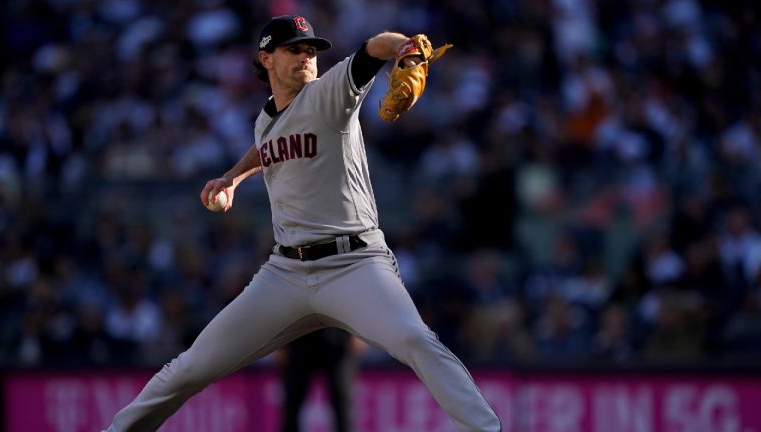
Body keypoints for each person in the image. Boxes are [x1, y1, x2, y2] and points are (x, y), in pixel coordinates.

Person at [103, 14, 501, 432]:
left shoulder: (329, 93)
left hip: (354, 265)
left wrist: (405, 48)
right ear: (266, 59)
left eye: (311, 49)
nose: (307, 56)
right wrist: (232, 177)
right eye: (294, 49)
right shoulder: (266, 119)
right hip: (286, 273)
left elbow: (374, 47)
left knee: (416, 341)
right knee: (190, 368)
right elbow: (266, 145)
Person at [275, 328, 364, 432]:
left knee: (342, 400)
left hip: (337, 337)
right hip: (299, 337)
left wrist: (358, 333)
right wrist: (280, 344)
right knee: (292, 402)